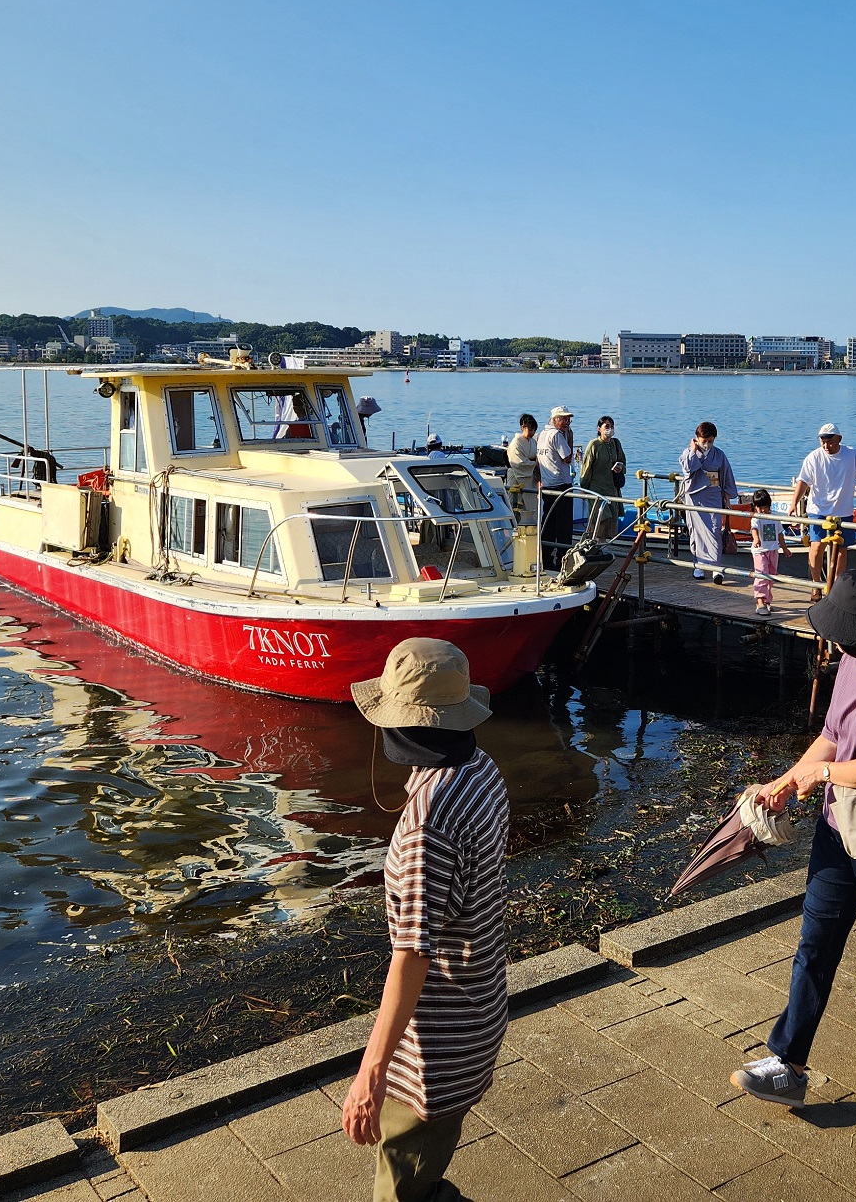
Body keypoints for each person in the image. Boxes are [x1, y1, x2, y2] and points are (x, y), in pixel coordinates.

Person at [731, 571, 856, 1106]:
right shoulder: (851, 664)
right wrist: (782, 783)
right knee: (816, 942)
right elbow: (830, 738)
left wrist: (819, 778)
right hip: (835, 827)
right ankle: (788, 1061)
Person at [342, 638, 509, 1201]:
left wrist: (372, 1071)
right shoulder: (481, 770)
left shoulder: (425, 825)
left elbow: (412, 954)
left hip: (438, 1040)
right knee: (421, 1177)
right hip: (479, 1005)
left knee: (401, 1190)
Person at [792, 424, 856, 585]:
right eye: (822, 442)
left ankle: (836, 585)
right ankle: (815, 584)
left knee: (841, 550)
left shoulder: (851, 454)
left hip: (843, 510)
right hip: (819, 509)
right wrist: (793, 503)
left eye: (830, 442)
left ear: (839, 439)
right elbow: (803, 481)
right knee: (816, 547)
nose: (826, 446)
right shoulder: (814, 457)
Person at [678, 422, 738, 582]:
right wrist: (693, 450)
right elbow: (688, 468)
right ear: (697, 439)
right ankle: (698, 566)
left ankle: (716, 569)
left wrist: (727, 498)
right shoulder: (688, 453)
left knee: (714, 531)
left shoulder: (719, 455)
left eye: (710, 441)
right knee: (695, 532)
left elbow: (726, 476)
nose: (707, 444)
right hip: (694, 498)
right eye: (704, 441)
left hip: (713, 496)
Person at [535, 407, 576, 564]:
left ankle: (545, 558)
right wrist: (569, 439)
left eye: (568, 419)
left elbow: (538, 462)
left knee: (549, 523)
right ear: (555, 419)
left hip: (547, 484)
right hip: (561, 485)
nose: (567, 422)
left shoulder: (542, 435)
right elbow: (567, 458)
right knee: (564, 527)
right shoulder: (557, 435)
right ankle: (562, 560)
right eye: (564, 419)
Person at [579, 415, 627, 543]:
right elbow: (586, 467)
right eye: (606, 426)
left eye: (611, 426)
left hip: (612, 488)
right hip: (597, 489)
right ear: (599, 428)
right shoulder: (594, 445)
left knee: (612, 521)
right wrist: (584, 487)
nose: (609, 429)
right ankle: (597, 545)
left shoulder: (616, 443)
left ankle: (606, 547)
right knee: (600, 519)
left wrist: (620, 468)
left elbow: (623, 461)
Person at [748, 488, 786, 618]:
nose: (763, 510)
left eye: (765, 507)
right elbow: (754, 530)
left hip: (773, 550)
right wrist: (756, 538)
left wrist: (784, 548)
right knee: (761, 574)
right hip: (760, 551)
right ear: (755, 507)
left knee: (772, 574)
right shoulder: (756, 519)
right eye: (760, 507)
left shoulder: (774, 517)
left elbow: (780, 534)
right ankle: (760, 601)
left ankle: (767, 600)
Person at [504, 414, 539, 527]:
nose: (532, 432)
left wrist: (535, 463)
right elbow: (518, 462)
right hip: (516, 474)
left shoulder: (533, 442)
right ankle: (514, 526)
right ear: (522, 427)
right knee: (515, 504)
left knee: (531, 504)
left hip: (530, 476)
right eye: (529, 429)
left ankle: (531, 526)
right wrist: (534, 463)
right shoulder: (516, 442)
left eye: (533, 429)